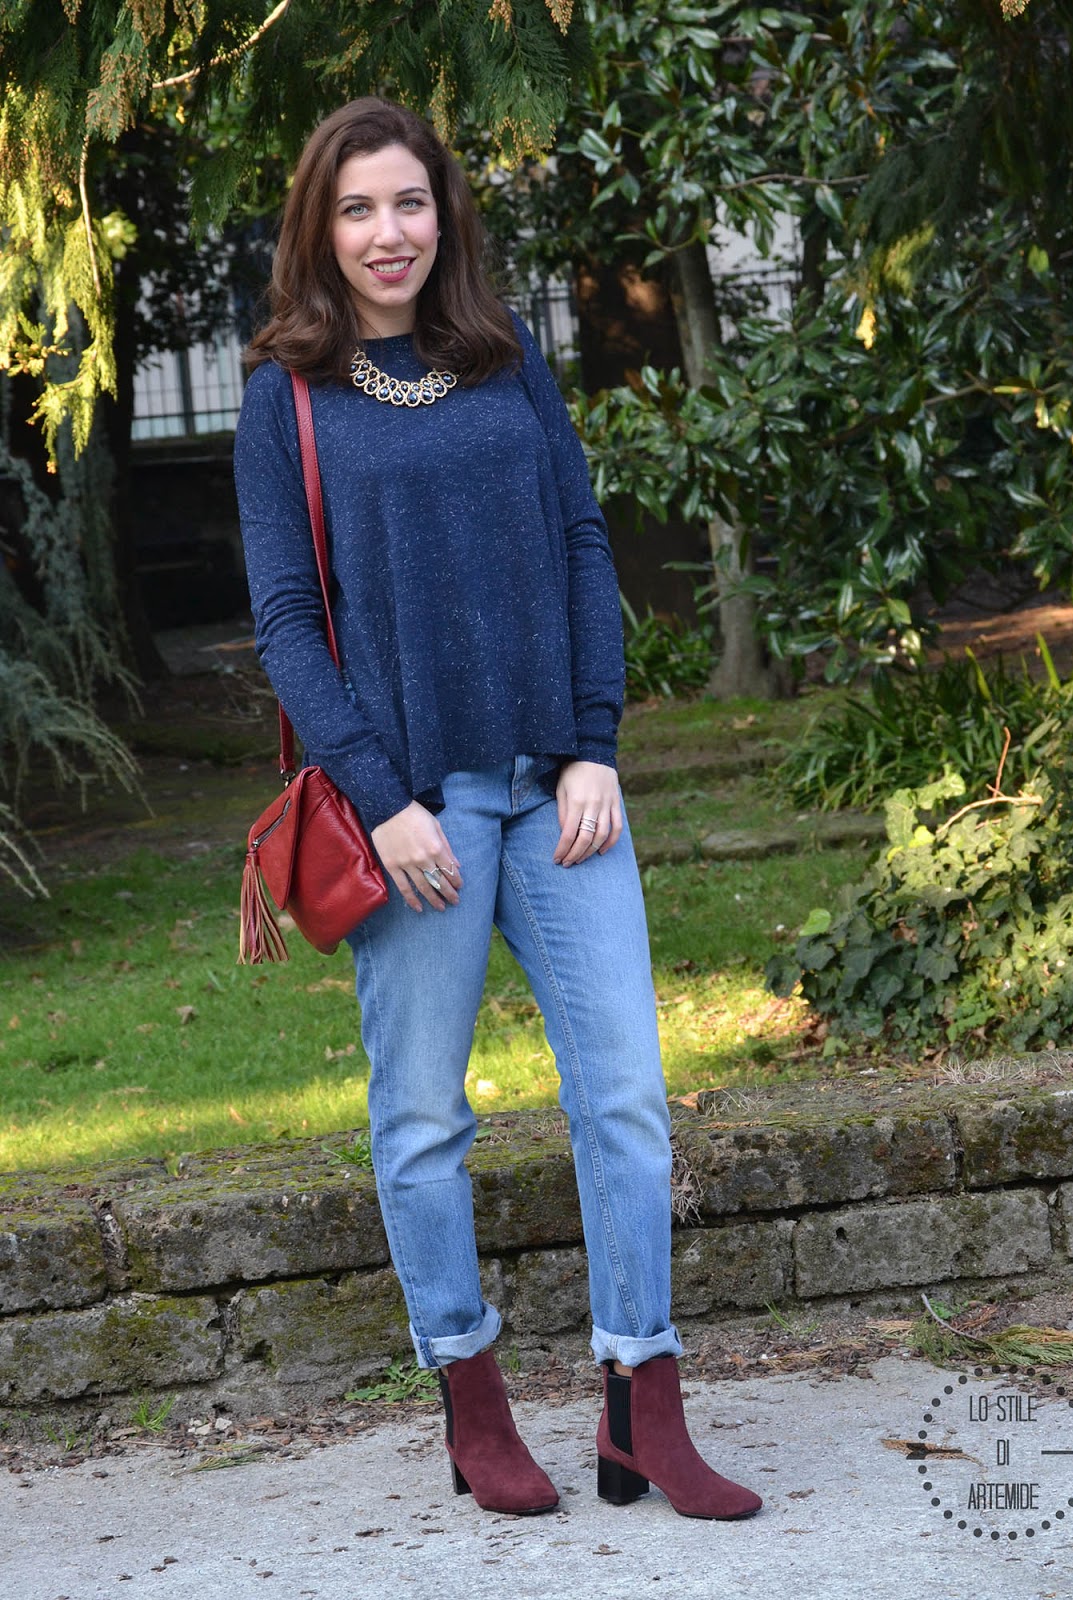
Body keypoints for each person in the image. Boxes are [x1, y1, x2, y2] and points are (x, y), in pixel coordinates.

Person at [233, 97, 762, 1522]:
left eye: (408, 203)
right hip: (417, 816)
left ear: (444, 213)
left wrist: (596, 743)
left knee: (626, 1094)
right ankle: (471, 1399)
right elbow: (285, 624)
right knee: (421, 1115)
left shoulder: (506, 355)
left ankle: (641, 1403)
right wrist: (380, 798)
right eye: (357, 209)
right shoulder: (287, 393)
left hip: (556, 792)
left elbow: (581, 540)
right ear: (319, 228)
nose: (387, 233)